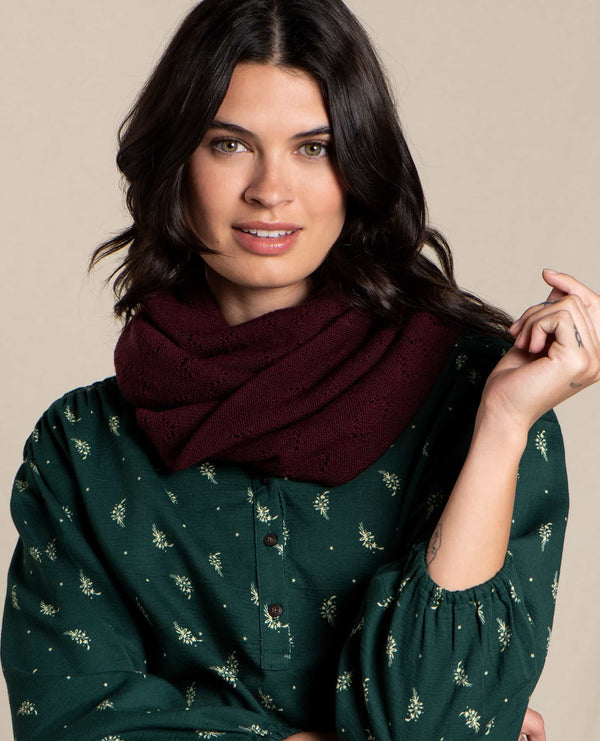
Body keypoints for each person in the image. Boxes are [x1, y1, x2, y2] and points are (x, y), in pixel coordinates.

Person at [1, 0, 598, 739]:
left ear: (360, 166)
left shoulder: (483, 399)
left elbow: (437, 722)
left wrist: (503, 425)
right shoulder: (82, 448)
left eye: (314, 148)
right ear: (176, 161)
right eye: (229, 144)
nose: (271, 189)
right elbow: (70, 724)